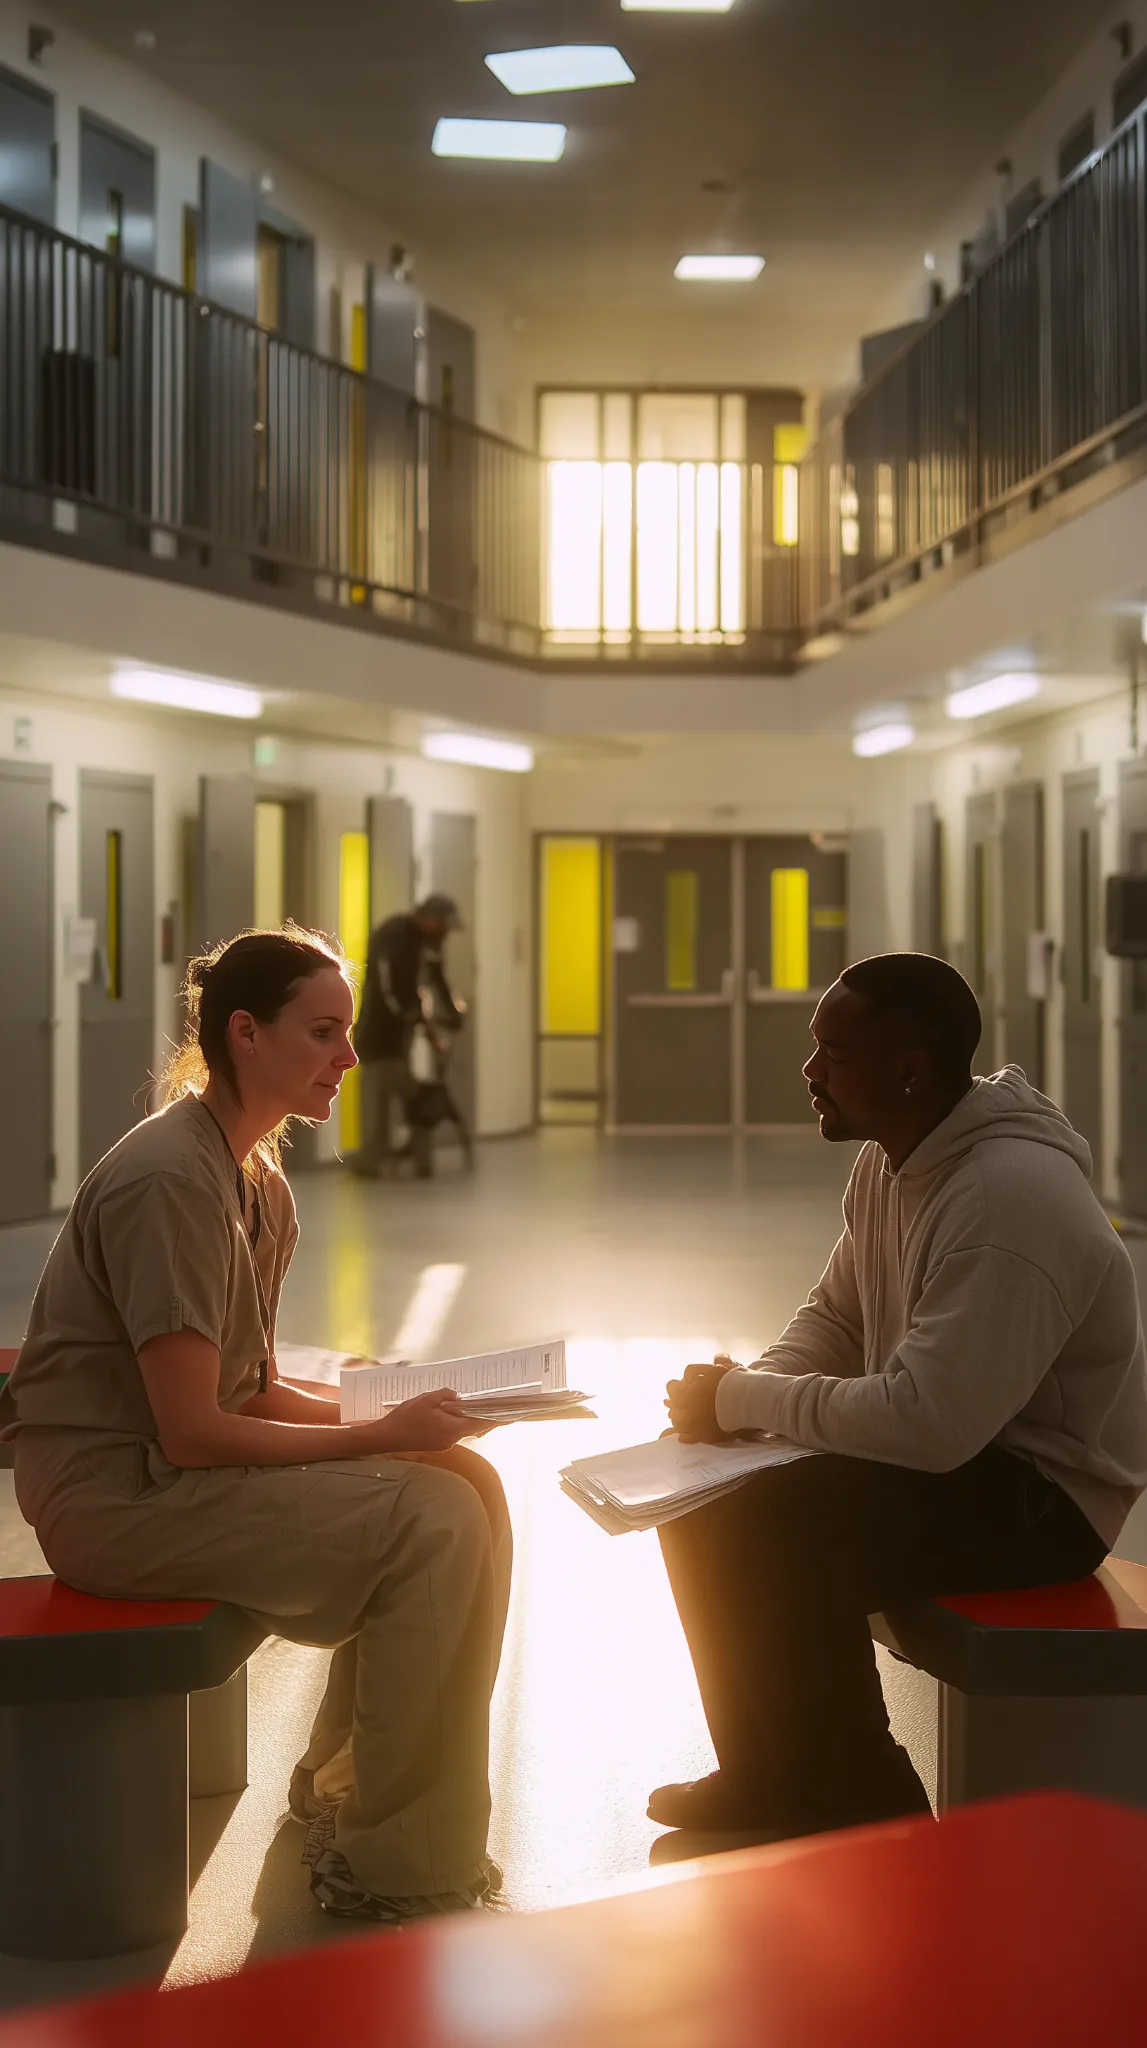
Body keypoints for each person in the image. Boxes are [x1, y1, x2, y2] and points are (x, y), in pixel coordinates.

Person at [2, 926, 510, 1924]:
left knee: (461, 1479)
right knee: (431, 1521)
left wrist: (405, 1416)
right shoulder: (170, 1181)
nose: (349, 1058)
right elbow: (195, 1428)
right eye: (323, 1032)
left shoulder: (258, 1184)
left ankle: (340, 1787)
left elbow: (255, 1388)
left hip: (172, 1468)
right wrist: (375, 1434)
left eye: (347, 1032)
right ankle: (394, 1859)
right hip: (118, 1497)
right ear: (245, 1033)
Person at [650, 952, 1147, 1847]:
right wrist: (742, 1411)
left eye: (831, 1054)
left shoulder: (1007, 1199)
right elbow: (835, 1316)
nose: (809, 1072)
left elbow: (929, 1425)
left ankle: (876, 1827)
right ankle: (763, 1778)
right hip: (966, 1452)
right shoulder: (893, 1159)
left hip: (1045, 1493)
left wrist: (744, 1399)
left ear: (909, 1072)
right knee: (705, 1501)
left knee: (784, 1538)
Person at [350, 894, 464, 1176]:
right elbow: (393, 986)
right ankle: (375, 1160)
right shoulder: (396, 935)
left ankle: (393, 1157)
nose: (446, 933)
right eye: (444, 925)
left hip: (400, 1037)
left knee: (405, 1096)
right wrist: (415, 1016)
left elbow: (438, 979)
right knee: (388, 1098)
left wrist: (451, 1013)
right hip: (378, 1035)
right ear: (430, 919)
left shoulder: (427, 943)